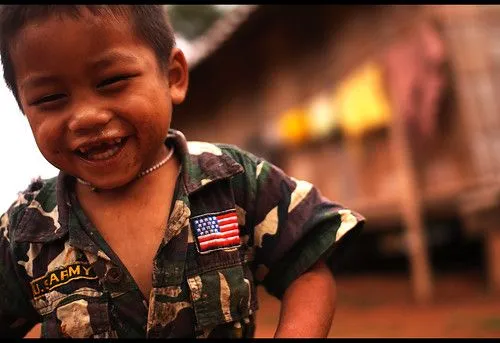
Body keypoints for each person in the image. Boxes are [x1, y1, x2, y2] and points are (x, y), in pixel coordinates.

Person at [0, 5, 365, 338]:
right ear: (24, 109)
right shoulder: (26, 232)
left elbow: (306, 270)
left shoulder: (235, 180)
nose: (87, 116)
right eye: (50, 98)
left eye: (111, 81)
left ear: (173, 77)